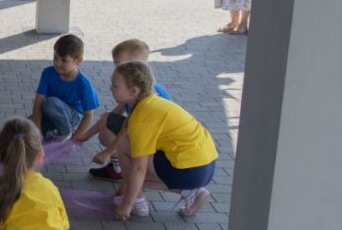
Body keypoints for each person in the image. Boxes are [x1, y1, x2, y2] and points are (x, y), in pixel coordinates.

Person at [112, 61, 218, 219]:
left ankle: (137, 204)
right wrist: (126, 186)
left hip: (190, 170)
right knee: (134, 172)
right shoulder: (154, 102)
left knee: (124, 146)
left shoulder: (142, 117)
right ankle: (191, 191)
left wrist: (126, 205)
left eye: (115, 86)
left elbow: (138, 168)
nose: (111, 89)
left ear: (133, 91)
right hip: (205, 167)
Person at [79, 39, 172, 181]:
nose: (116, 71)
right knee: (106, 124)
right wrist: (85, 136)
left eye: (120, 65)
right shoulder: (134, 89)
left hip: (155, 143)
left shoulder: (149, 94)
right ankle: (121, 166)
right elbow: (111, 116)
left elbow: (128, 128)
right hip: (142, 133)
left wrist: (107, 152)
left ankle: (123, 169)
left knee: (111, 132)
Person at [31, 34, 99, 142]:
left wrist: (75, 138)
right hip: (50, 113)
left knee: (50, 102)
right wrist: (37, 130)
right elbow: (38, 102)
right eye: (55, 58)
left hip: (72, 117)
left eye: (64, 60)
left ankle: (65, 132)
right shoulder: (48, 73)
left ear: (78, 61)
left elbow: (89, 115)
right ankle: (52, 132)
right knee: (24, 127)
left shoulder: (83, 84)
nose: (57, 63)